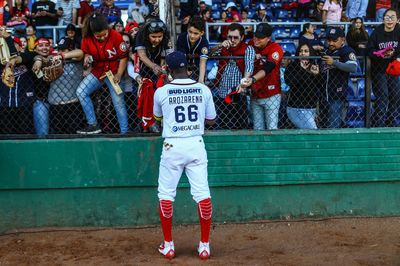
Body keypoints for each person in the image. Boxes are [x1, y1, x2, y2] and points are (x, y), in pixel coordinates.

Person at [153, 51, 216, 260]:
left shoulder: (161, 91)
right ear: (188, 67)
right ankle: (205, 246)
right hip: (196, 143)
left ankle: (169, 246)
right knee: (202, 195)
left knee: (166, 194)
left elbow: (157, 117)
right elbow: (211, 120)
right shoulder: (203, 89)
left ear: (169, 70)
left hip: (172, 144)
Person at [76, 12, 129, 134]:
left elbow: (124, 56)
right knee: (81, 92)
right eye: (98, 36)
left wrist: (119, 74)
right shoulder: (87, 38)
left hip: (114, 71)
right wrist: (87, 59)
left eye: (104, 34)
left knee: (118, 102)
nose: (102, 37)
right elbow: (86, 53)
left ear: (107, 29)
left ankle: (125, 132)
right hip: (98, 71)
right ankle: (93, 124)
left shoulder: (115, 35)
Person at [214, 23, 255, 129]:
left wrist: (243, 84)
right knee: (223, 125)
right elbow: (206, 54)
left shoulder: (248, 49)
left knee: (241, 126)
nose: (232, 40)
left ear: (242, 37)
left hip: (239, 93)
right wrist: (219, 45)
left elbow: (249, 68)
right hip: (222, 93)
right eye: (230, 37)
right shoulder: (224, 47)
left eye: (235, 37)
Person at [243, 23, 283, 130]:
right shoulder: (251, 44)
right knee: (258, 129)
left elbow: (268, 67)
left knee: (272, 129)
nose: (256, 39)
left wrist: (253, 79)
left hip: (271, 95)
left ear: (268, 38)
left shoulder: (276, 48)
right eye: (256, 36)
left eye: (260, 37)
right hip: (255, 94)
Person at [368, 8, 400, 127]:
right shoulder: (377, 32)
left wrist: (396, 54)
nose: (390, 20)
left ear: (397, 20)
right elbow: (369, 50)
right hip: (379, 70)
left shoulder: (398, 31)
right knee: (383, 98)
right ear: (383, 19)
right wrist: (381, 53)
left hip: (393, 70)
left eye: (393, 17)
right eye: (387, 17)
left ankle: (390, 123)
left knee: (396, 96)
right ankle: (378, 125)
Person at [320, 27, 358, 128]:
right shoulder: (327, 51)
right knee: (323, 124)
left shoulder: (347, 51)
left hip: (337, 94)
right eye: (329, 40)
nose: (331, 43)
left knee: (333, 125)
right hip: (324, 94)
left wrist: (334, 62)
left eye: (335, 40)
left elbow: (353, 67)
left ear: (343, 40)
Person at [285, 44, 323, 129]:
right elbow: (290, 82)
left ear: (311, 53)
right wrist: (302, 70)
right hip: (296, 108)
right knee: (313, 133)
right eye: (301, 51)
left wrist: (317, 75)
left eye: (306, 51)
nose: (303, 53)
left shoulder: (314, 66)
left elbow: (320, 86)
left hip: (312, 108)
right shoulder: (292, 66)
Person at [176, 16, 209, 83]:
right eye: (190, 32)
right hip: (182, 70)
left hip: (198, 70)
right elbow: (181, 57)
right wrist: (184, 71)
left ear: (202, 33)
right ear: (187, 29)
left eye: (195, 33)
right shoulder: (182, 37)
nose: (192, 35)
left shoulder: (204, 41)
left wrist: (201, 80)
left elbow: (203, 61)